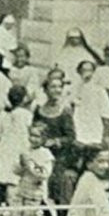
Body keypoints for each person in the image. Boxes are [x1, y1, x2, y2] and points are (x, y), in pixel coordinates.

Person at [11, 122, 57, 216]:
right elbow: (17, 171)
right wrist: (21, 164)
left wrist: (30, 164)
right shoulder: (26, 151)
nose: (33, 139)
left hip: (37, 195)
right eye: (31, 135)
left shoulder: (46, 154)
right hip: (23, 191)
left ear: (44, 138)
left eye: (37, 136)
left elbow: (44, 175)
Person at [33, 76, 79, 204]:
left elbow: (71, 137)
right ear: (46, 90)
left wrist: (55, 141)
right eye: (53, 87)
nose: (57, 90)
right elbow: (35, 130)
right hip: (42, 154)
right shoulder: (39, 110)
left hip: (60, 156)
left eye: (59, 87)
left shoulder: (64, 111)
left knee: (57, 186)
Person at [0, 85, 33, 206]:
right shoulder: (26, 114)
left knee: (3, 181)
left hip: (4, 151)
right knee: (14, 183)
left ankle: (1, 206)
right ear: (24, 99)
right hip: (18, 151)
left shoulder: (2, 114)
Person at [72, 60, 109, 151]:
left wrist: (106, 136)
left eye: (90, 70)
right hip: (78, 130)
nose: (87, 74)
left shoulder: (99, 90)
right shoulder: (74, 89)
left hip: (94, 130)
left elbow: (107, 114)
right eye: (84, 70)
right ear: (79, 72)